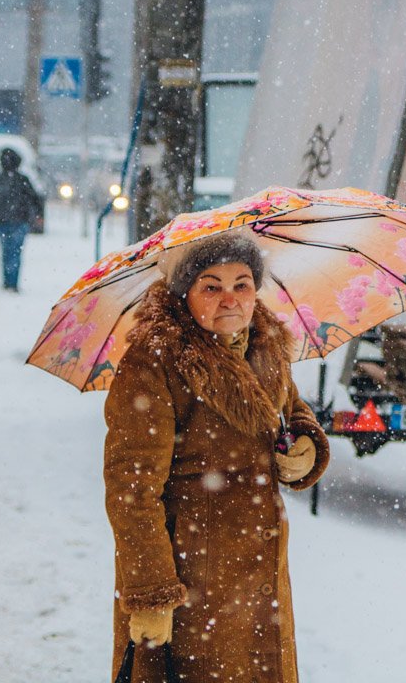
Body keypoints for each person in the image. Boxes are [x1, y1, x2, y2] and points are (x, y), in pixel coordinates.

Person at [103, 232, 330, 682]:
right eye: (212, 286)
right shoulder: (154, 361)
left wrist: (306, 446)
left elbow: (289, 410)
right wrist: (152, 595)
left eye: (242, 284)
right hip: (191, 582)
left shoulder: (264, 346)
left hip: (258, 579)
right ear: (184, 294)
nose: (230, 298)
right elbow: (131, 490)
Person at [0, 147, 44, 292]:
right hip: (20, 222)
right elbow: (35, 199)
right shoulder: (23, 180)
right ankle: (13, 282)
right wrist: (38, 215)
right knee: (15, 252)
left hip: (2, 222)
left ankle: (6, 280)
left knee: (5, 251)